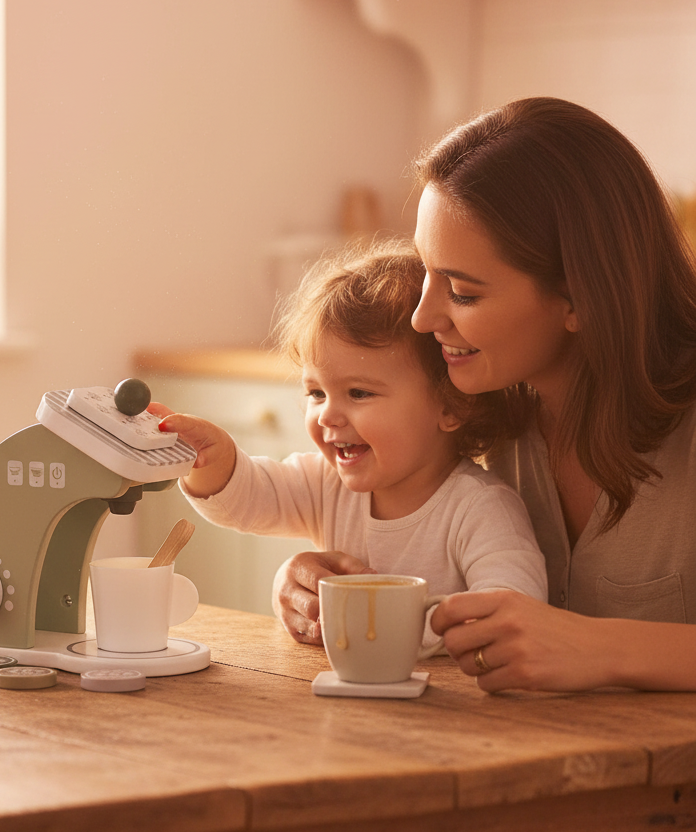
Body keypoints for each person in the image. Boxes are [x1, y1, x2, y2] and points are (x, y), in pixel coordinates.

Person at [272, 97, 696, 700]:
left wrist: (593, 647)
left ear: (578, 296)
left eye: (464, 294)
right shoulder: (483, 413)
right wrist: (315, 581)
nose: (422, 318)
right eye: (426, 273)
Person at [153, 242, 548, 645]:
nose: (327, 416)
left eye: (358, 393)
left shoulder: (480, 509)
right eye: (316, 393)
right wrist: (211, 458)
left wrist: (384, 620)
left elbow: (515, 610)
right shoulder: (326, 484)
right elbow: (247, 499)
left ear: (451, 406)